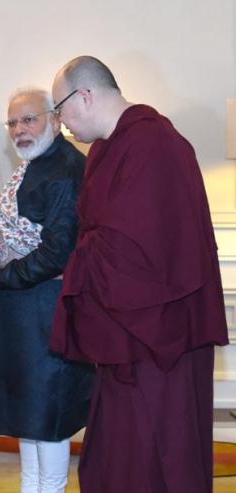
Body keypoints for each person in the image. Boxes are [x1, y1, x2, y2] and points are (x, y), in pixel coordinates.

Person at [50, 56, 229, 493]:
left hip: (159, 339)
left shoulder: (154, 144)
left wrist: (76, 268)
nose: (61, 122)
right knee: (116, 462)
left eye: (60, 109)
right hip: (126, 340)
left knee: (155, 459)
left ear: (85, 96)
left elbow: (142, 253)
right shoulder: (110, 148)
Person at [0, 87, 95, 493]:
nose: (19, 130)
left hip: (46, 315)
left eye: (29, 119)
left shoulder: (66, 169)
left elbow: (54, 255)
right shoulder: (33, 164)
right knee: (26, 416)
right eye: (12, 122)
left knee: (49, 417)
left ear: (55, 119)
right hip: (18, 314)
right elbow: (20, 227)